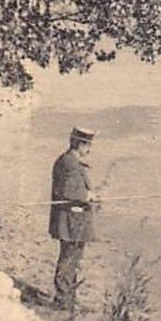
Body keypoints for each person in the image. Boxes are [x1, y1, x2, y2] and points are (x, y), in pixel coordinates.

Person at [49, 126, 98, 310]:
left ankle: (69, 298)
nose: (89, 150)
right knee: (68, 259)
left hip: (75, 221)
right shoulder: (68, 163)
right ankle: (62, 301)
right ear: (79, 144)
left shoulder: (71, 161)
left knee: (73, 260)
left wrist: (90, 195)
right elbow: (66, 191)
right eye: (87, 146)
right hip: (69, 221)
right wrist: (87, 197)